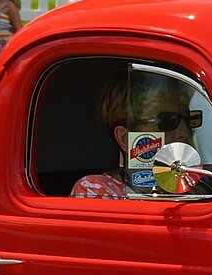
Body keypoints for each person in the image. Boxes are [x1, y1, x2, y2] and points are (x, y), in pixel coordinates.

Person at [71, 73, 202, 198]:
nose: (184, 133)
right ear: (125, 138)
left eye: (189, 120)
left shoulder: (197, 190)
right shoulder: (96, 190)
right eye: (168, 120)